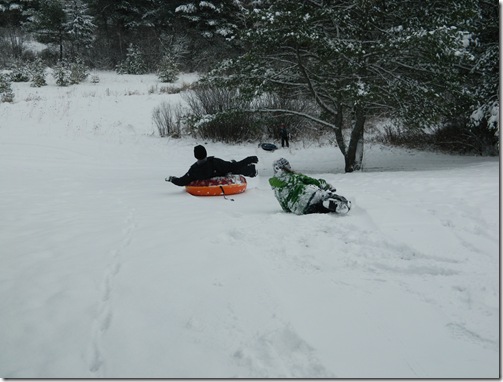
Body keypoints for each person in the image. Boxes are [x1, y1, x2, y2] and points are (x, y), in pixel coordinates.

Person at [268, 158, 351, 215]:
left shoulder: (276, 189)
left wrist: (292, 208)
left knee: (316, 208)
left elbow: (285, 208)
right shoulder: (294, 176)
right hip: (308, 194)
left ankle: (324, 206)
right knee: (324, 195)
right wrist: (327, 185)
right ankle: (341, 203)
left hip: (299, 208)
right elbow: (314, 182)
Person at [166, 145, 259, 186]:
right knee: (234, 168)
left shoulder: (193, 170)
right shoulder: (214, 162)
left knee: (233, 167)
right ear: (206, 153)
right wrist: (248, 159)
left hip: (216, 175)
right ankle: (254, 171)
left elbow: (182, 181)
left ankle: (252, 170)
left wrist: (172, 179)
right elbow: (234, 167)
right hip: (224, 174)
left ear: (195, 156)